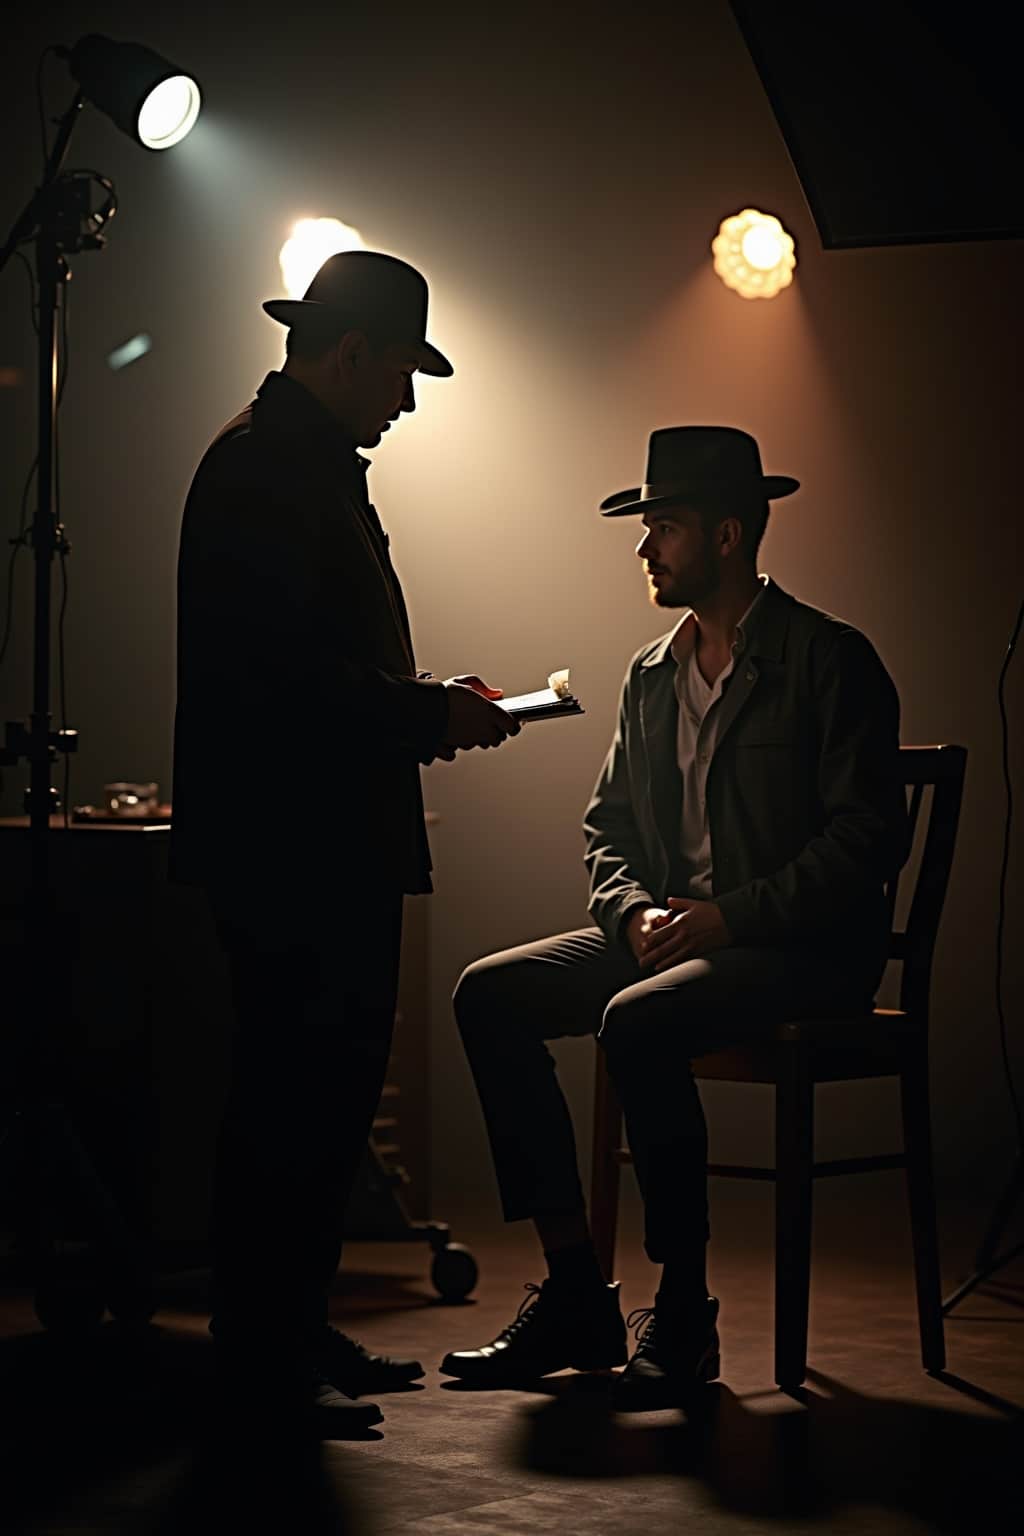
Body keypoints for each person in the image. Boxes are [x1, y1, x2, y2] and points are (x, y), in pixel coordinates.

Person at [441, 426, 907, 1410]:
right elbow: (606, 826)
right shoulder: (652, 674)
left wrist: (728, 917)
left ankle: (685, 1314)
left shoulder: (829, 659)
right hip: (673, 941)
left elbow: (866, 840)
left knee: (637, 1021)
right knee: (489, 994)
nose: (644, 547)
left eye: (664, 527)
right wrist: (630, 916)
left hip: (800, 951)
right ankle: (576, 1292)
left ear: (727, 535)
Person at [170, 250, 518, 1432]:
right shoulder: (271, 469)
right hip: (299, 852)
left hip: (304, 845)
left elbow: (299, 668)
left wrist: (421, 704)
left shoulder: (282, 460)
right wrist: (426, 713)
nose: (407, 400)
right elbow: (286, 682)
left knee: (313, 1100)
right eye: (402, 371)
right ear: (354, 352)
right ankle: (265, 1357)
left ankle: (286, 1334)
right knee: (295, 1101)